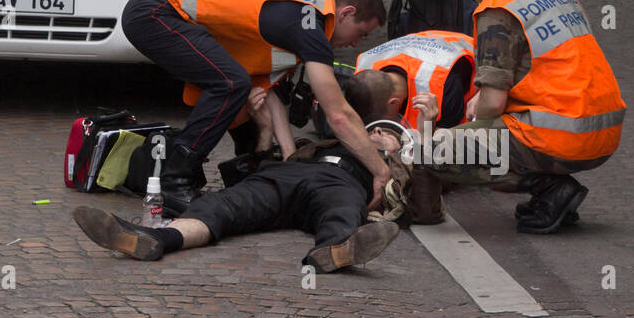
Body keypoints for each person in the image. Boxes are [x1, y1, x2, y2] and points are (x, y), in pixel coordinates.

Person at [73, 71, 406, 272]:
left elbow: (426, 200)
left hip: (341, 183)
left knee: (342, 211)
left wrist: (401, 158)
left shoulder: (398, 166)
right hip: (284, 177)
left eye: (386, 134)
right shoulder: (320, 144)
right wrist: (263, 131)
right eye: (373, 130)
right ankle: (155, 237)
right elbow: (262, 164)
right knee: (221, 205)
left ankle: (335, 251)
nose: (376, 134)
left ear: (398, 146)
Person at [120, 0, 389, 213]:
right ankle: (174, 183)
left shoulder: (311, 4)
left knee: (241, 89)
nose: (355, 43)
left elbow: (269, 91)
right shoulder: (309, 25)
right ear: (345, 13)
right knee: (230, 84)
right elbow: (338, 114)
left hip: (157, 7)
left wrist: (287, 155)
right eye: (360, 34)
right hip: (155, 12)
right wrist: (380, 170)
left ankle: (245, 173)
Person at [437, 0, 626, 233]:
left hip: (563, 135)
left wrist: (474, 117)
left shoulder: (496, 9)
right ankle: (553, 190)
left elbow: (493, 103)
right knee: (491, 132)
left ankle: (548, 187)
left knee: (436, 150)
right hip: (604, 129)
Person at [355, 30, 475, 222]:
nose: (377, 127)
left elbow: (445, 150)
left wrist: (424, 131)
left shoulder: (443, 85)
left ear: (394, 103)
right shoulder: (364, 67)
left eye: (380, 121)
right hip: (425, 47)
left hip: (462, 56)